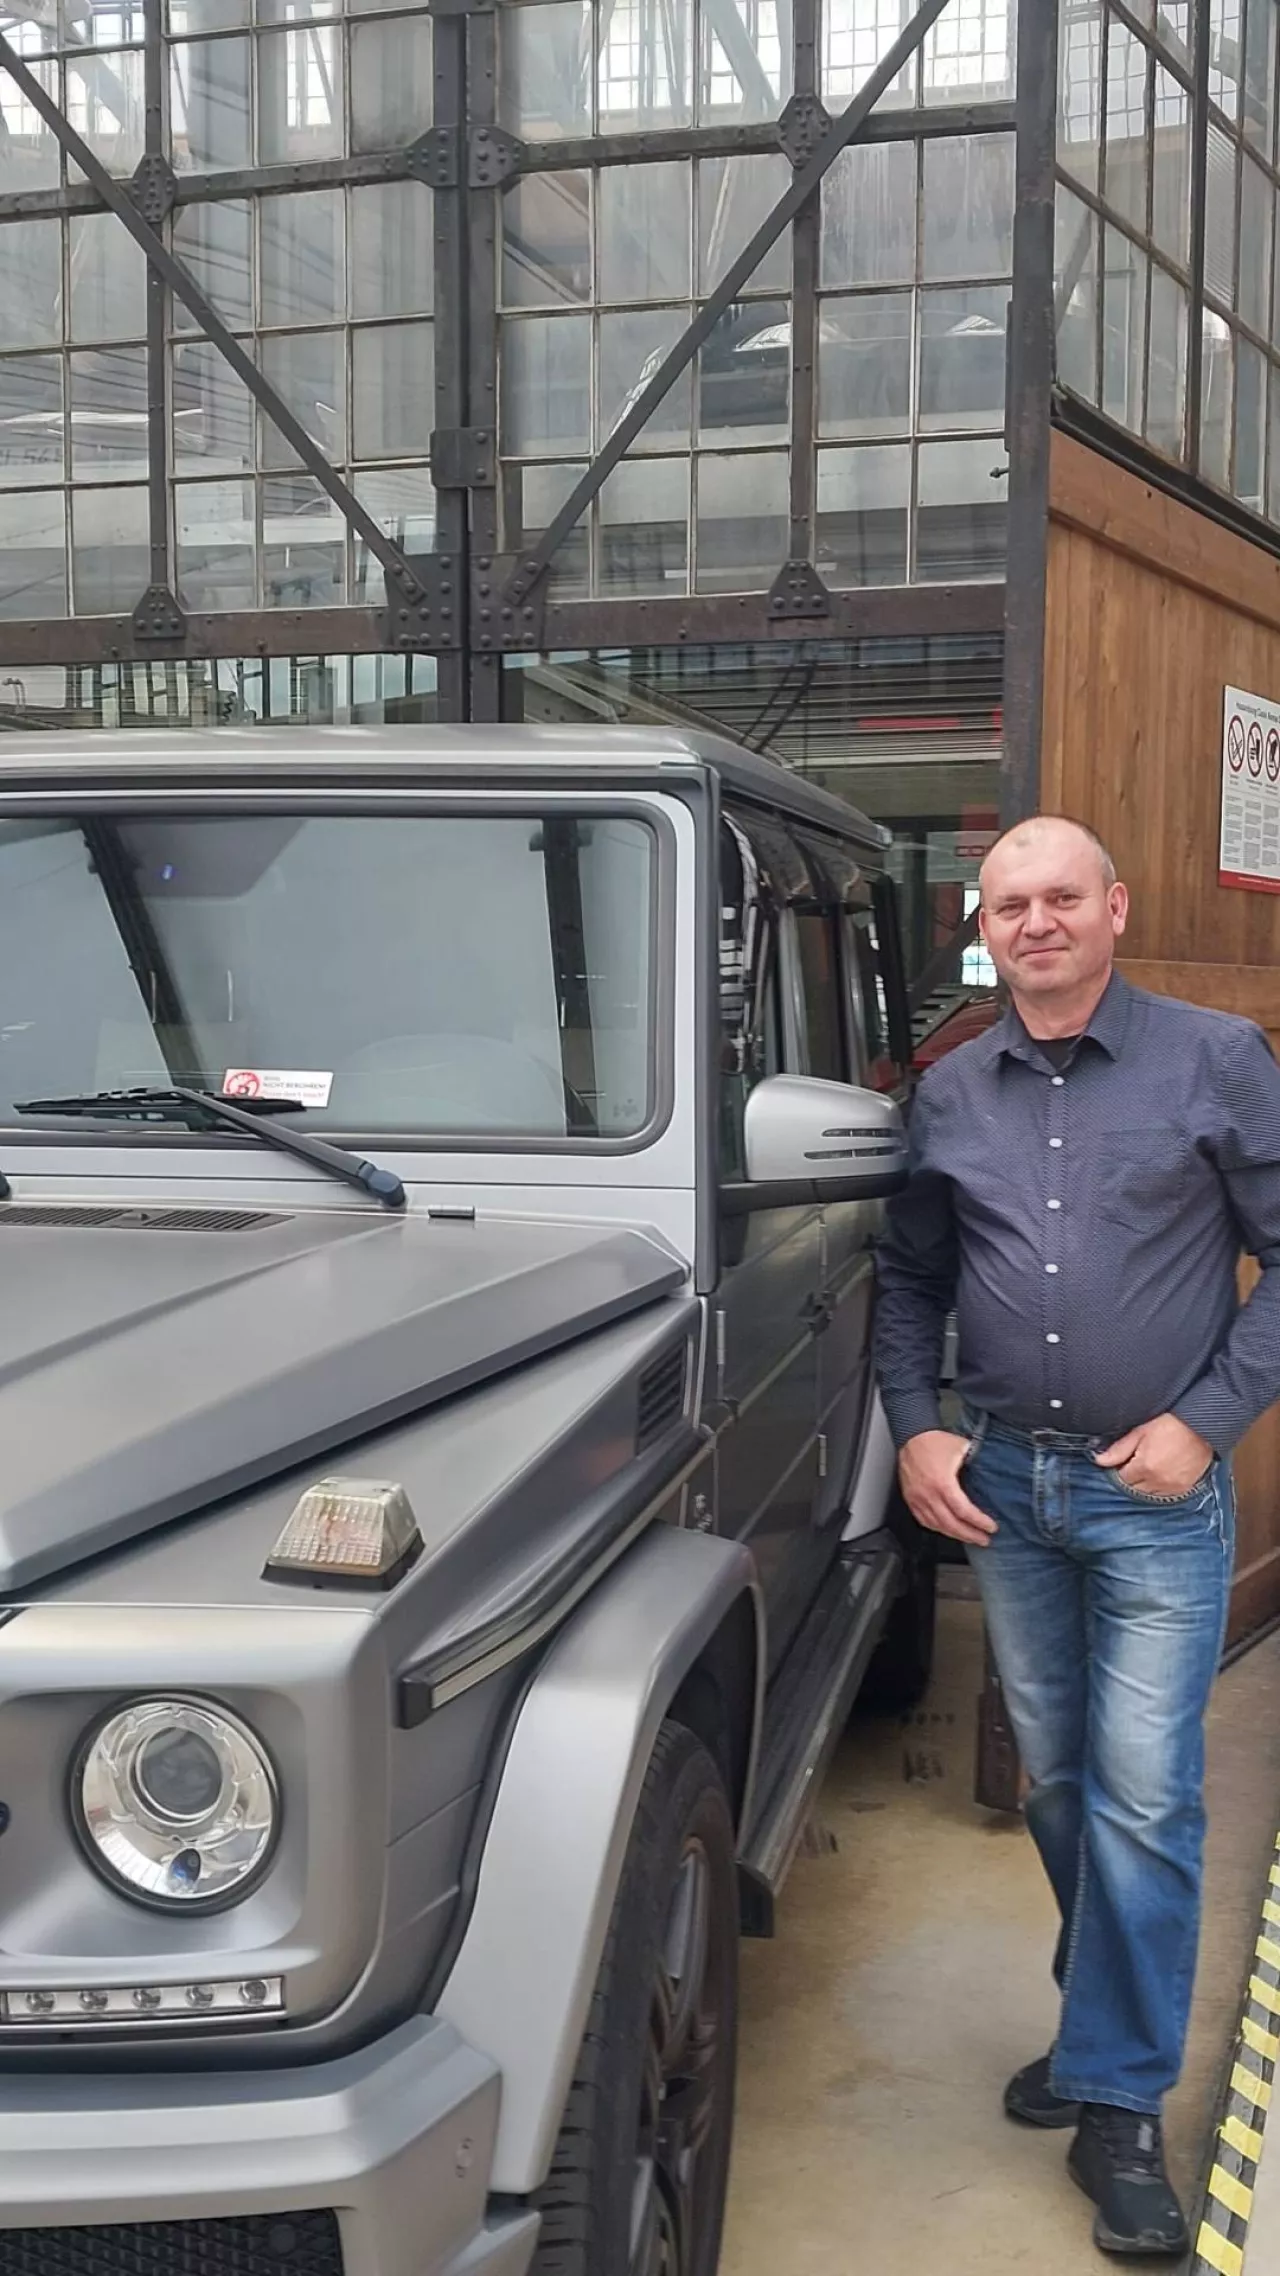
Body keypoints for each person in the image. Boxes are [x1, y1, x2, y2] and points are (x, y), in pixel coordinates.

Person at [874, 814, 1280, 2259]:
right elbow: (911, 1279)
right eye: (1009, 905)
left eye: (1061, 897)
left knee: (1147, 1796)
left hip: (1154, 1494)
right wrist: (916, 1426)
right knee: (1059, 1782)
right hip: (1007, 1491)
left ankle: (1117, 2101)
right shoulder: (950, 1092)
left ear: (1117, 906)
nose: (1036, 922)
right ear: (983, 932)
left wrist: (1207, 1422)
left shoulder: (1216, 1060)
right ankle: (1109, 2004)